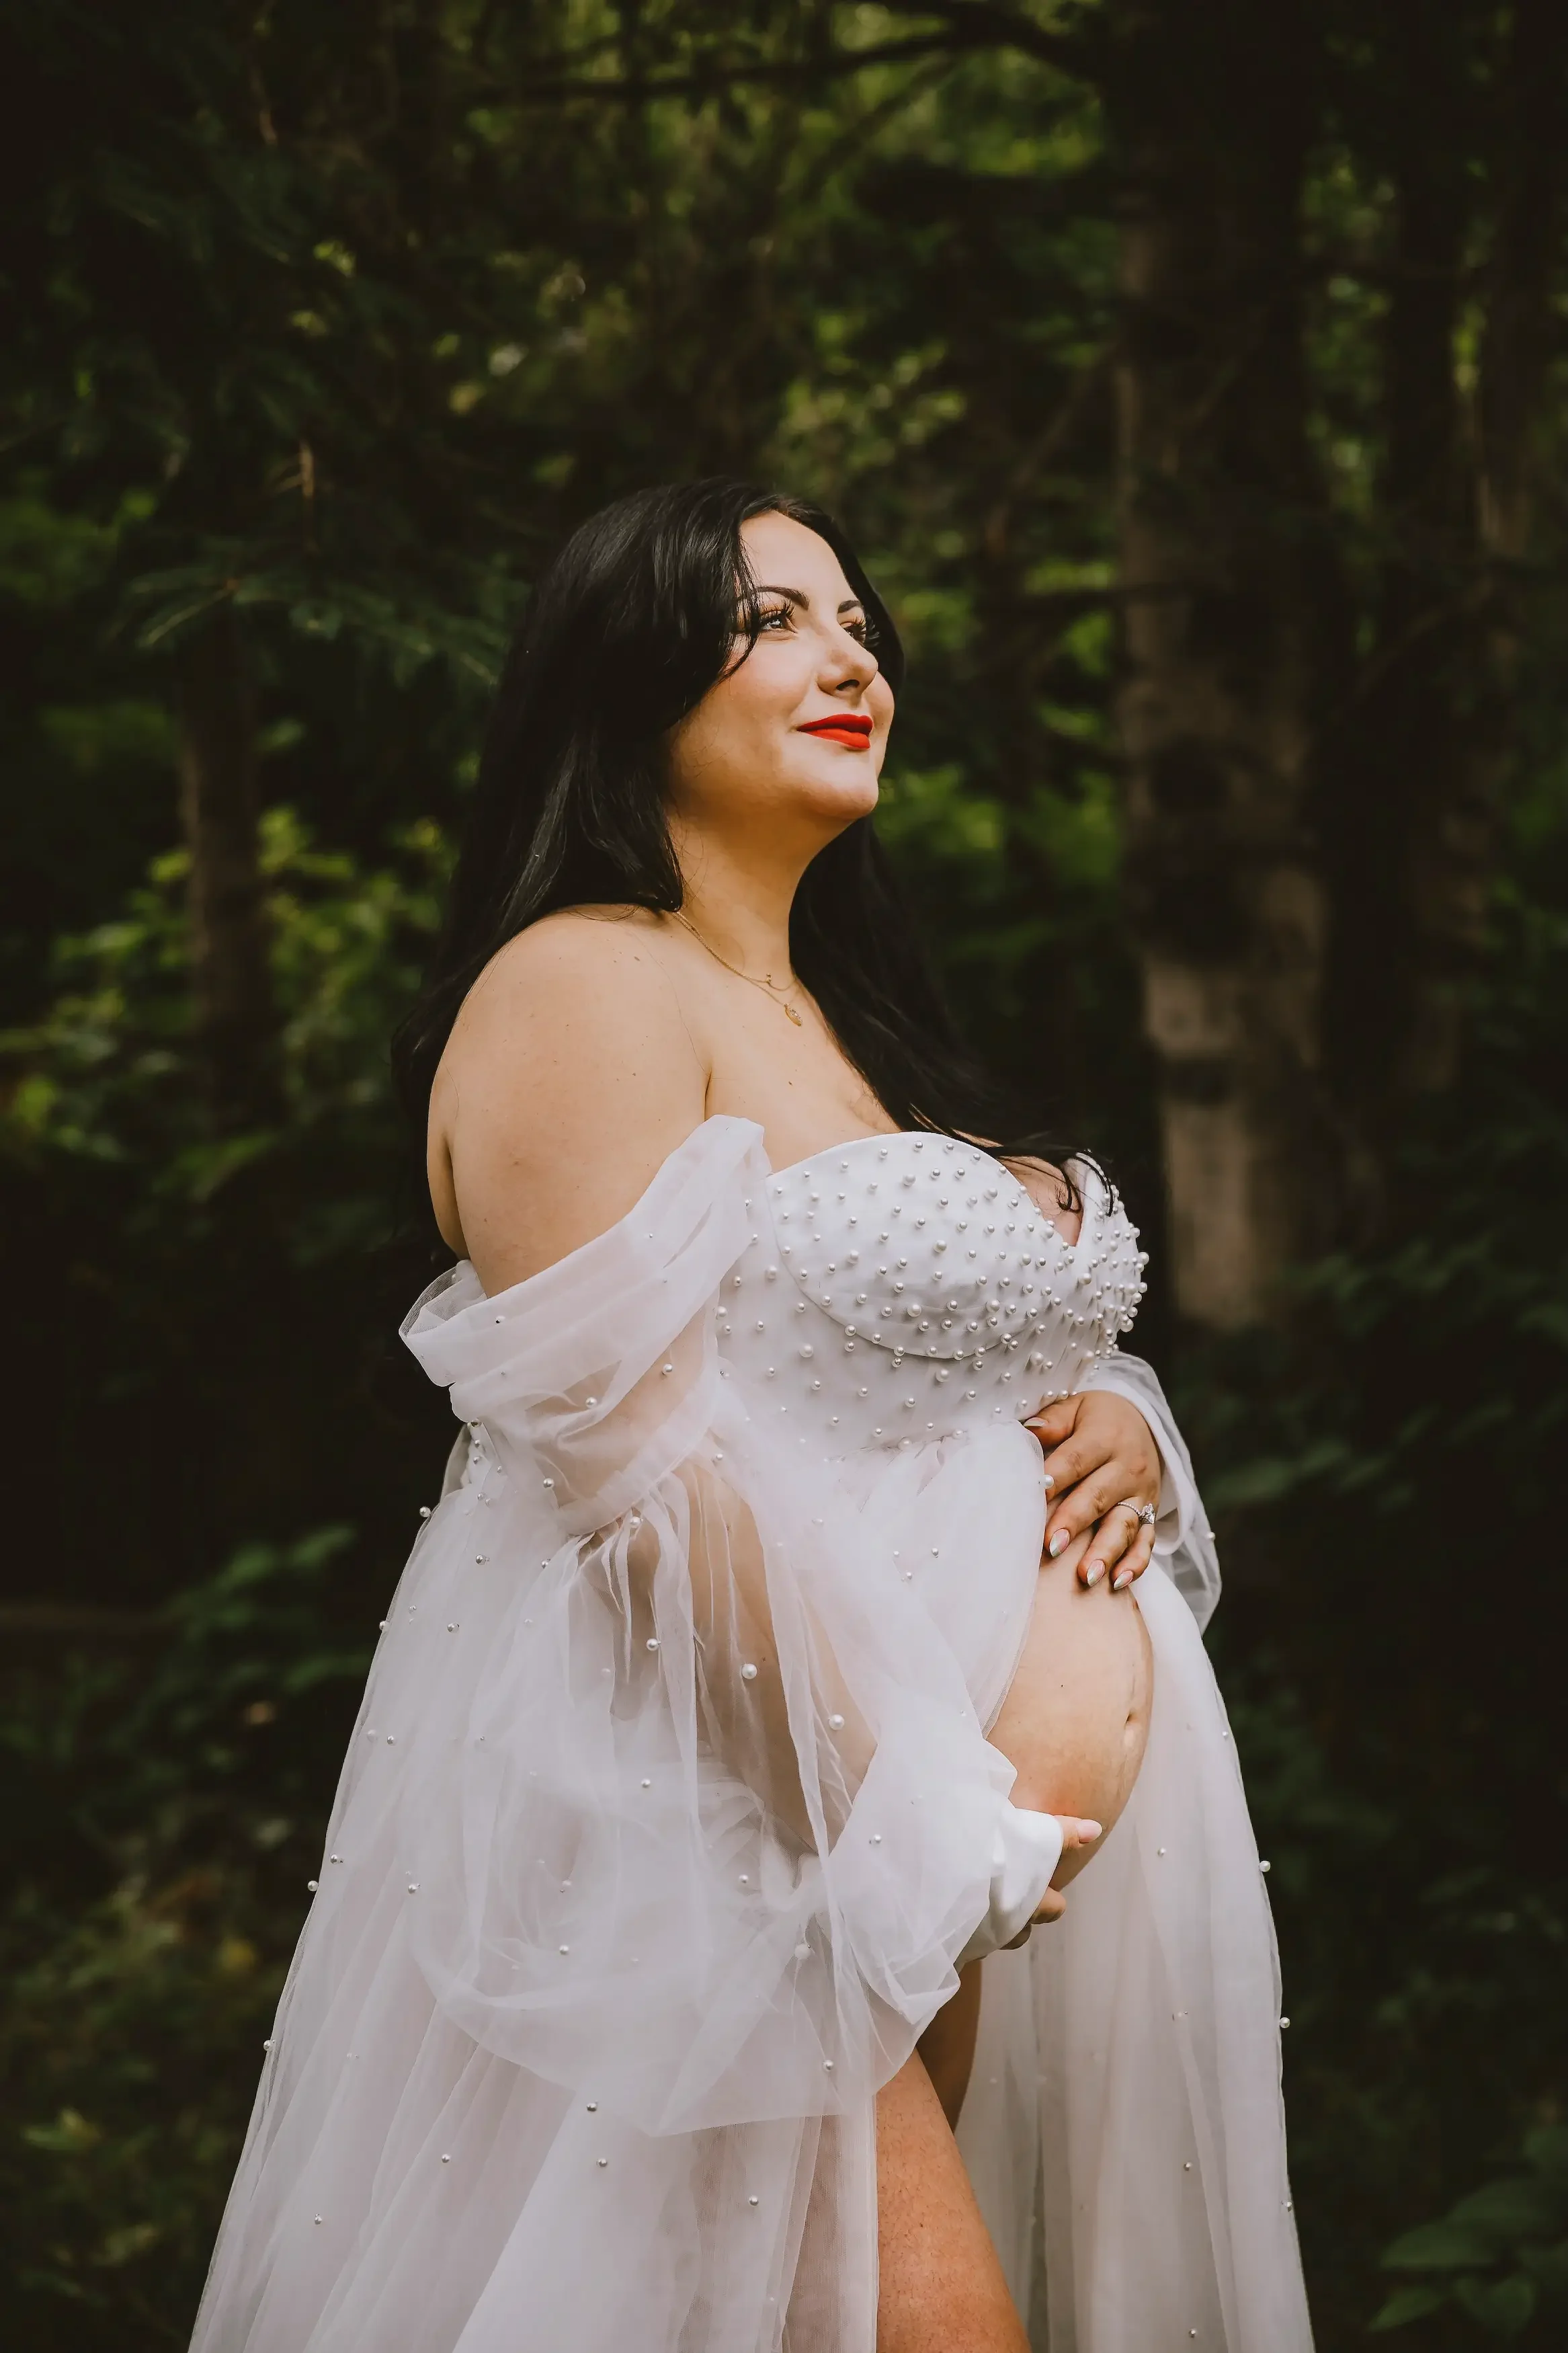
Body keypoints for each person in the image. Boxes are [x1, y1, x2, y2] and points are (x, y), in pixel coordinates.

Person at [190, 481, 1312, 2352]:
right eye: (770, 617)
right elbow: (627, 1469)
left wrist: (1116, 1421)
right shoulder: (582, 979)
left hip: (934, 1873)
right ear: (625, 676)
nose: (847, 655)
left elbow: (881, 1375)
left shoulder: (842, 1024)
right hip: (740, 1846)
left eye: (858, 620)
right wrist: (900, 1814)